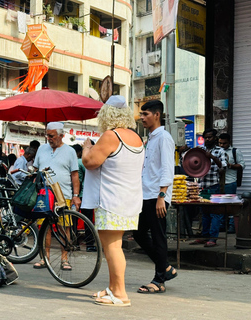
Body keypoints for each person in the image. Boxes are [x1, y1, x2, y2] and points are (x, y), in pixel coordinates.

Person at [82, 95, 144, 307]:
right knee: (114, 245)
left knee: (112, 247)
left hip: (111, 200)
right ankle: (112, 288)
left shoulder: (111, 136)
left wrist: (86, 148)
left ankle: (119, 293)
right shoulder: (136, 137)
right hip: (129, 200)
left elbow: (90, 162)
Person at [132, 99, 177, 294]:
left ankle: (159, 280)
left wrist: (162, 195)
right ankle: (165, 267)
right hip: (146, 194)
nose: (142, 118)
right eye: (141, 114)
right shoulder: (151, 138)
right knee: (138, 233)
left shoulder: (164, 137)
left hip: (157, 195)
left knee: (159, 237)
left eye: (146, 114)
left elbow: (168, 168)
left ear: (156, 115)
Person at [32, 122, 80, 270]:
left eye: (51, 135)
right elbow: (35, 170)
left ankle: (64, 259)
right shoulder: (42, 148)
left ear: (61, 136)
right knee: (43, 227)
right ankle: (44, 257)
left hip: (63, 194)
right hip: (44, 194)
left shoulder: (70, 151)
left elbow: (75, 175)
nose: (49, 138)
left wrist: (75, 195)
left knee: (64, 226)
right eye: (47, 135)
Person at [190, 128, 227, 247]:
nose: (207, 139)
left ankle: (213, 238)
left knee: (214, 214)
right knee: (204, 213)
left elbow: (223, 166)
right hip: (202, 186)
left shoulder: (220, 151)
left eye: (209, 137)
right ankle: (204, 236)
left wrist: (210, 156)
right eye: (205, 137)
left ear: (215, 138)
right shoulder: (201, 151)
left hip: (214, 186)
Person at [219, 133, 245, 234]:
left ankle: (231, 225)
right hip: (219, 182)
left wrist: (230, 165)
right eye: (220, 143)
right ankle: (221, 225)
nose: (221, 145)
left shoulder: (235, 151)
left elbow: (242, 165)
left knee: (230, 204)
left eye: (224, 143)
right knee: (219, 204)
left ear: (229, 142)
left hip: (230, 181)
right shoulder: (217, 151)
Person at [72, 143, 96, 252]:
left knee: (74, 220)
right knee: (88, 220)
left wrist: (75, 195)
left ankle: (74, 243)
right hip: (89, 195)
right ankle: (90, 244)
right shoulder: (95, 161)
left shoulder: (79, 162)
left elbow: (78, 180)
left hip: (79, 195)